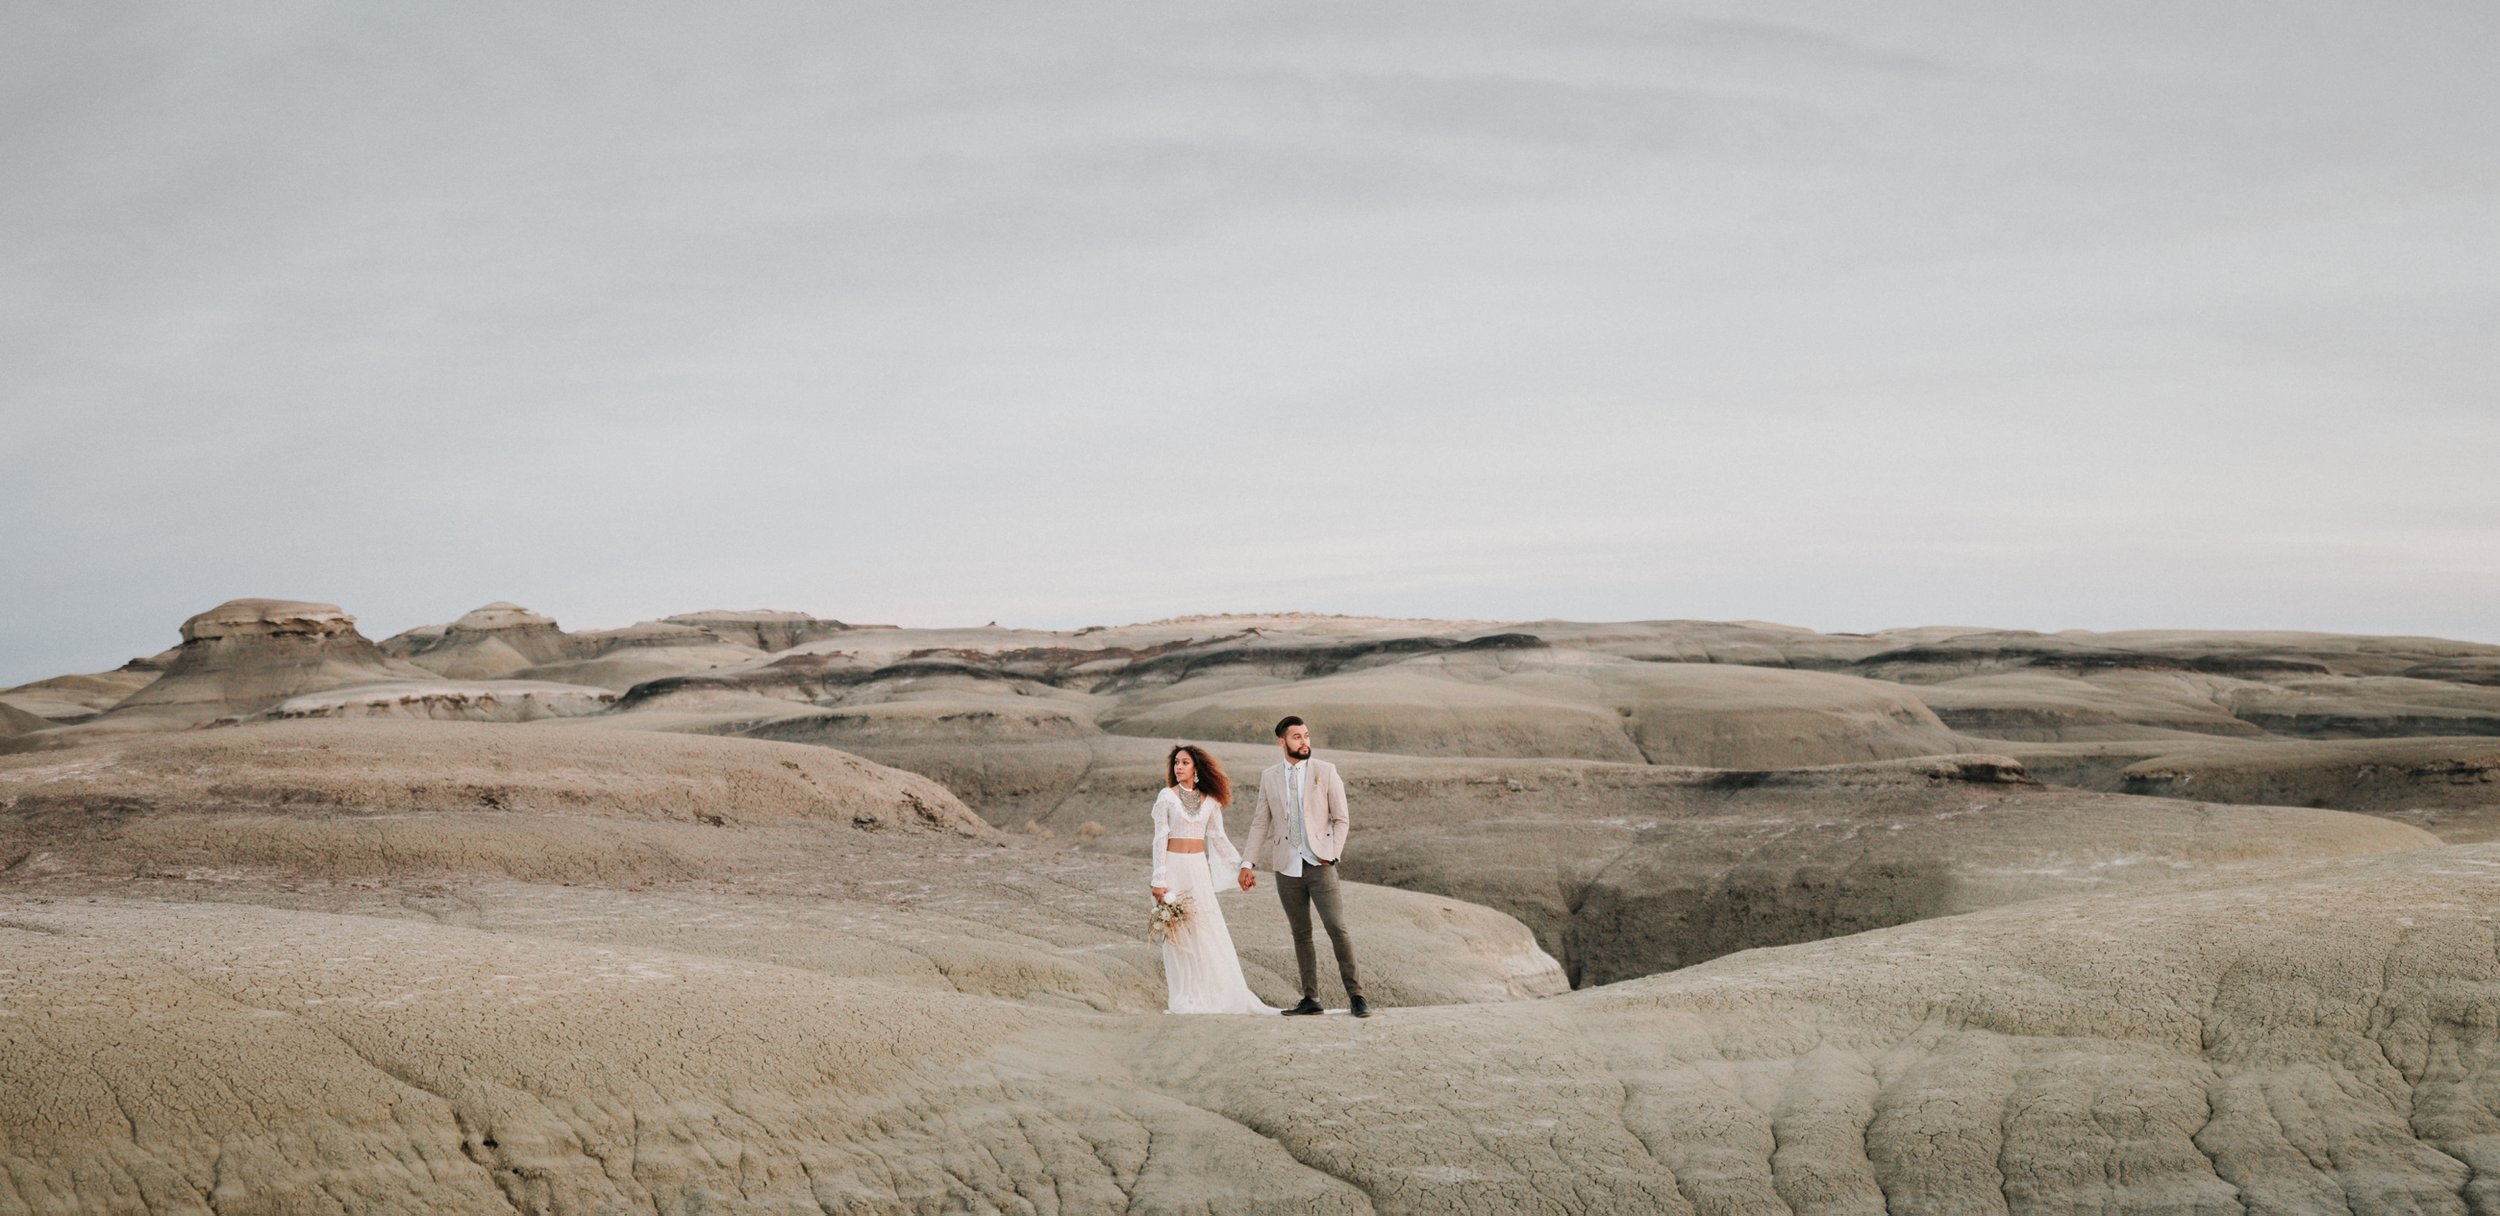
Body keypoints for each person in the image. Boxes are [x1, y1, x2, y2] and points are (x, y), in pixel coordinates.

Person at [1237, 715, 1367, 1017]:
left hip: (1320, 865)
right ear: (1282, 742)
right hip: (1286, 866)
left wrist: (1332, 854)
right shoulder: (1269, 776)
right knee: (1301, 933)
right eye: (1297, 737)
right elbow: (1261, 822)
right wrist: (1248, 862)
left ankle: (1356, 995)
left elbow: (1341, 818)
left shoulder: (1326, 771)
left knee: (1337, 928)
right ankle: (1311, 998)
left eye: (1307, 735)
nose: (1304, 742)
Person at [1150, 743, 1275, 1015]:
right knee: (1178, 931)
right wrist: (1159, 878)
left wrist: (1242, 867)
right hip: (1173, 868)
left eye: (1184, 762)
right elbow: (1160, 838)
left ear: (1196, 768)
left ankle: (1215, 994)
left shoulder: (1210, 801)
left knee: (1205, 928)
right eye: (1176, 763)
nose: (1179, 767)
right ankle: (1185, 996)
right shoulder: (1166, 797)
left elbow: (1218, 839)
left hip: (1197, 869)